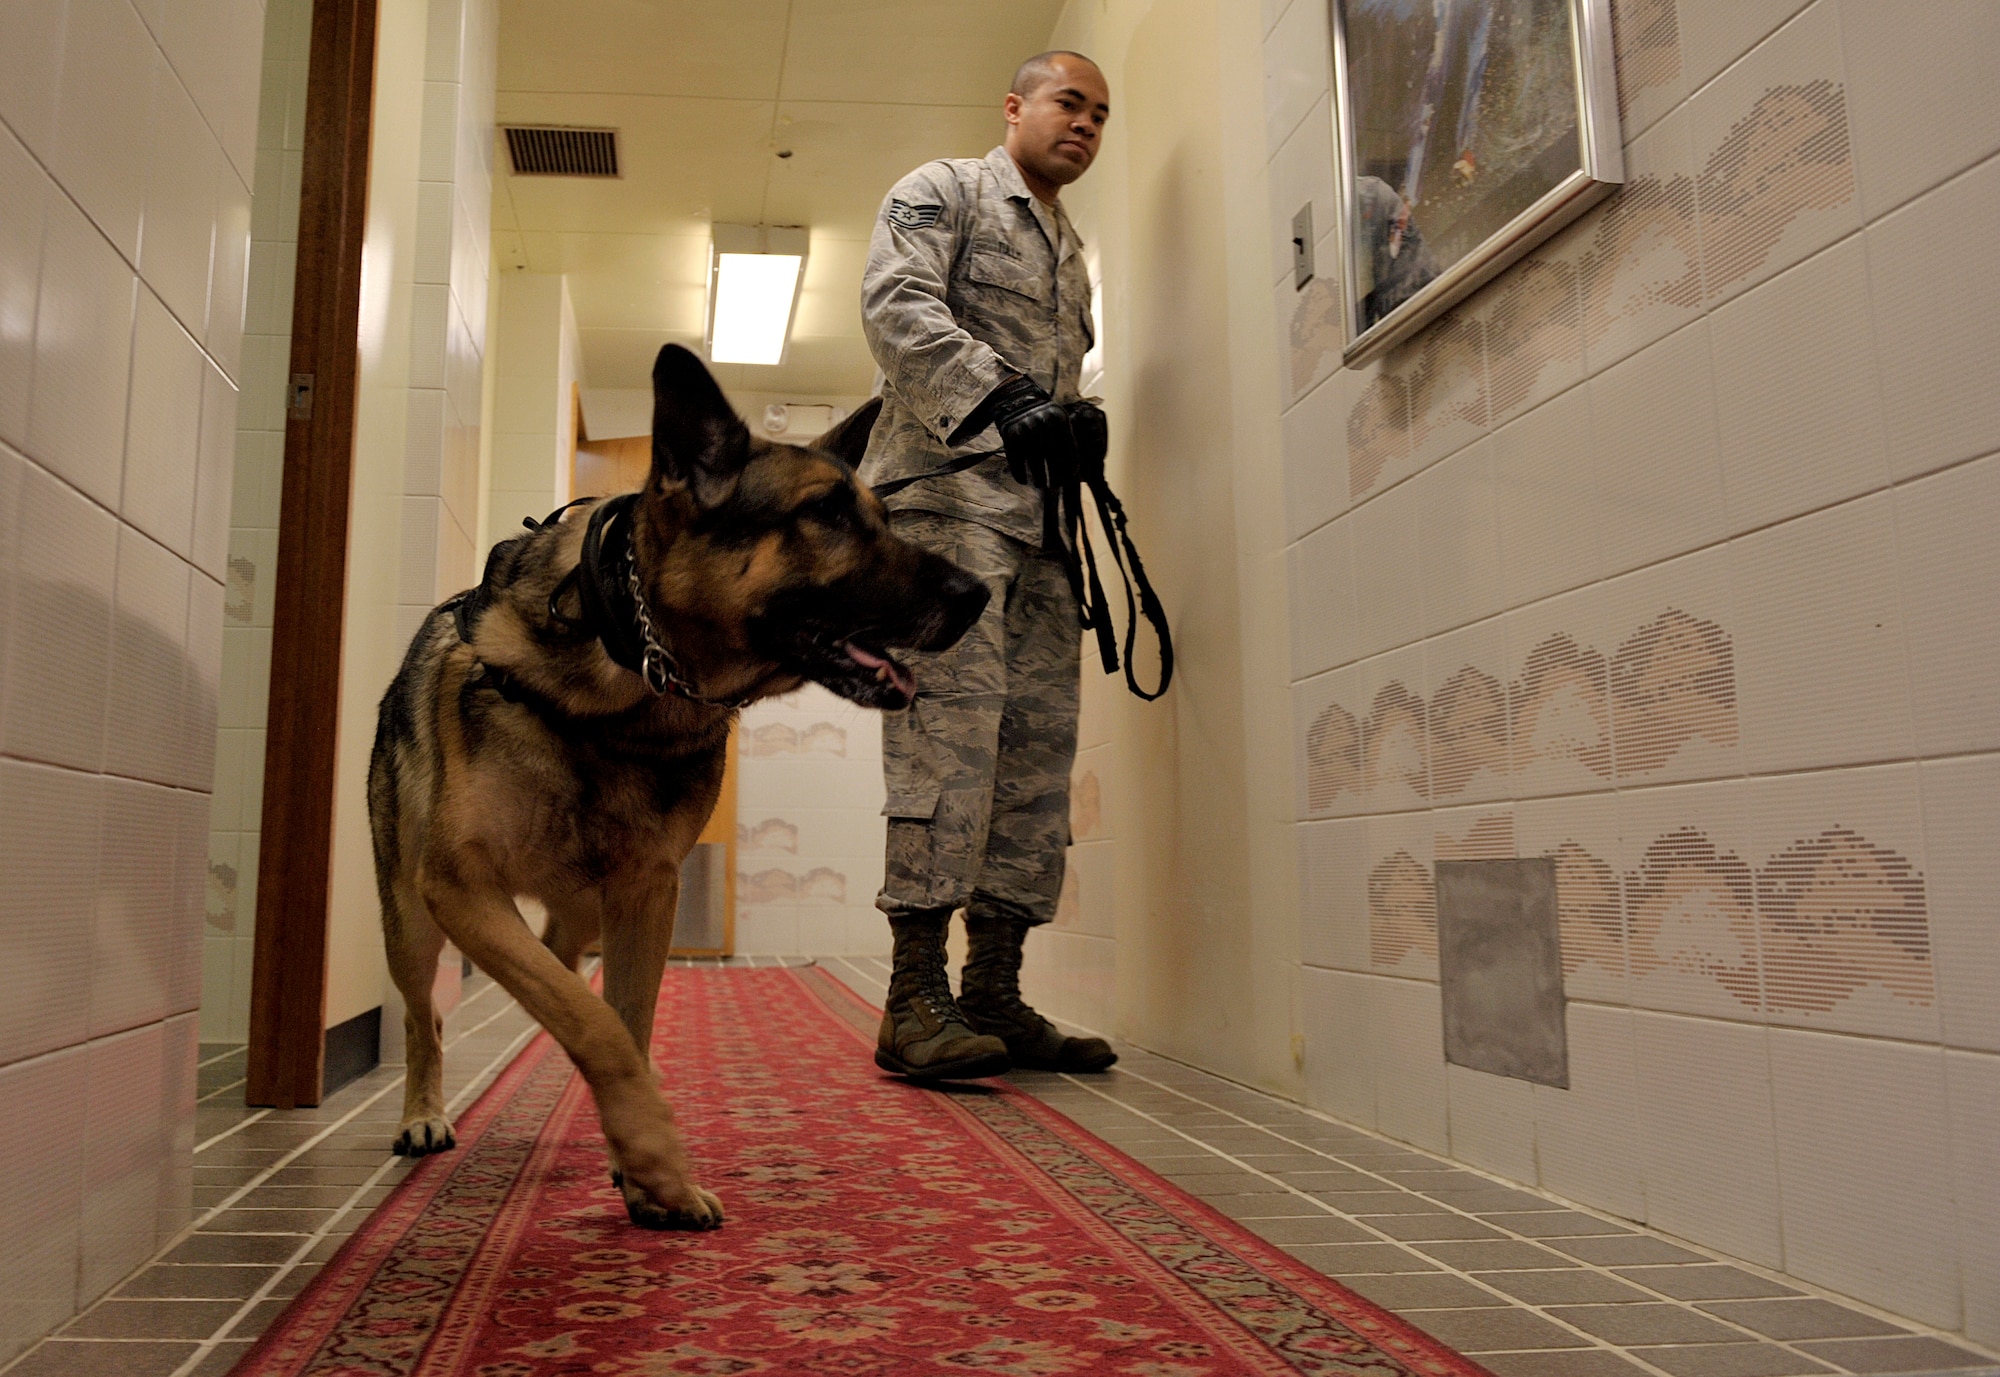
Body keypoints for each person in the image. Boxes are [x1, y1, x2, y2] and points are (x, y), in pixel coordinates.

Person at [856, 50, 1118, 1081]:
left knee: (1031, 759)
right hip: (943, 512)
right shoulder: (942, 191)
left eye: (1099, 114)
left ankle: (994, 991)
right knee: (945, 743)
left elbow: (1052, 391)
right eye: (1068, 103)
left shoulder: (1071, 250)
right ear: (1014, 108)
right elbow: (895, 308)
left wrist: (1073, 424)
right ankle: (911, 997)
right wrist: (997, 394)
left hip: (1042, 529)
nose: (1085, 125)